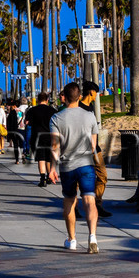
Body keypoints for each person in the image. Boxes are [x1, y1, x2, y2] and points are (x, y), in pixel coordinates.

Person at [48, 81, 101, 254]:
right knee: (90, 200)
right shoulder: (90, 116)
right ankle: (92, 237)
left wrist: (52, 168)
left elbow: (55, 146)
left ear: (64, 97)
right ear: (79, 96)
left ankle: (72, 240)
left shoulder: (56, 118)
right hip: (86, 165)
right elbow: (93, 145)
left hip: (67, 166)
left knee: (70, 200)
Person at [25, 91, 57, 188]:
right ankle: (49, 177)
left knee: (41, 158)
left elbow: (27, 122)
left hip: (37, 136)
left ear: (38, 100)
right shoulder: (53, 111)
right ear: (47, 100)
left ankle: (42, 179)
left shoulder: (32, 110)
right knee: (48, 157)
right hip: (50, 136)